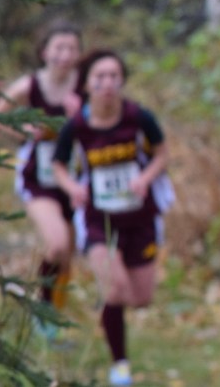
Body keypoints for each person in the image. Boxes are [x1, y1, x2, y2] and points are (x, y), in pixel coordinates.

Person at [51, 49, 175, 387]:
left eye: (113, 77)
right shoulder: (77, 126)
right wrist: (73, 187)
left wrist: (145, 178)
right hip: (97, 219)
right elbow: (58, 166)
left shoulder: (138, 117)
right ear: (87, 83)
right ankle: (120, 364)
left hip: (139, 218)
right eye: (100, 77)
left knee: (140, 297)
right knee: (115, 290)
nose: (107, 84)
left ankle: (107, 303)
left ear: (122, 81)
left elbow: (162, 153)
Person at [0, 20, 83, 331]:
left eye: (72, 48)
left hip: (76, 179)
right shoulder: (30, 86)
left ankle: (53, 317)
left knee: (67, 255)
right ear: (45, 51)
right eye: (59, 47)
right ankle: (43, 313)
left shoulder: (87, 85)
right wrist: (24, 131)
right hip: (38, 177)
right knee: (57, 244)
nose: (65, 54)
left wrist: (80, 120)